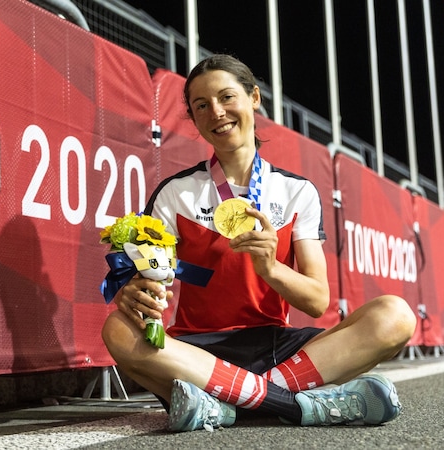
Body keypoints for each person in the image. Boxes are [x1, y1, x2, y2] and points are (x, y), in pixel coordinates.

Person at [101, 54, 416, 431]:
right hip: (198, 352)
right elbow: (152, 279)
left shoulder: (297, 192)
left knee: (395, 316)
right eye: (201, 105)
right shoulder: (174, 193)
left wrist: (270, 266)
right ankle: (298, 407)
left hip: (276, 348)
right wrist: (135, 292)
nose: (216, 111)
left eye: (226, 97)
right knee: (117, 329)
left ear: (254, 97)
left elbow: (316, 302)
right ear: (194, 117)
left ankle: (227, 404)